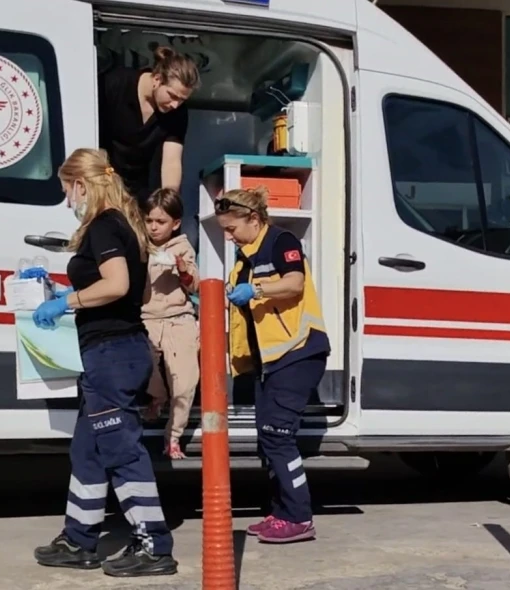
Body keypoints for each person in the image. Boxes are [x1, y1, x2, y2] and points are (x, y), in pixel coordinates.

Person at [32, 148, 178, 577]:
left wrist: (69, 301)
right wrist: (66, 292)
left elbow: (118, 285)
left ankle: (154, 544)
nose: (67, 201)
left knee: (120, 450)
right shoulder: (127, 227)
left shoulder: (104, 225)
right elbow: (139, 294)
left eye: (67, 190)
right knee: (89, 449)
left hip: (111, 353)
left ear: (82, 185)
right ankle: (79, 539)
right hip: (117, 348)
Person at [214, 187, 330, 544]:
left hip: (299, 350)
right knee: (268, 438)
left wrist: (258, 291)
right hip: (272, 359)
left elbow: (294, 283)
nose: (227, 235)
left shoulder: (282, 240)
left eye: (232, 228)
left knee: (278, 435)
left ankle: (298, 517)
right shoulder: (243, 259)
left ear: (253, 218)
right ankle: (280, 512)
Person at [98, 46, 201, 208]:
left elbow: (172, 161)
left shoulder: (178, 113)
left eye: (182, 100)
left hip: (141, 191)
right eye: (173, 96)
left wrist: (168, 204)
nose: (175, 104)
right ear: (157, 80)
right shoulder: (115, 84)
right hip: (103, 181)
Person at [140, 188, 200, 460]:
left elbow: (195, 285)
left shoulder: (182, 247)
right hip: (147, 319)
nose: (153, 227)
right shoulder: (139, 245)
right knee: (146, 372)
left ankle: (173, 437)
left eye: (160, 222)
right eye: (149, 220)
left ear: (175, 224)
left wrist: (183, 270)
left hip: (178, 319)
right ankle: (157, 397)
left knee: (184, 383)